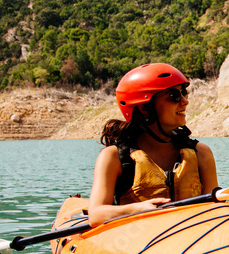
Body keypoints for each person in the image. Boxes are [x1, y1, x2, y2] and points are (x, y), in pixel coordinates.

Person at [87, 63, 219, 226]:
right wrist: (135, 209)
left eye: (183, 93)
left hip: (193, 240)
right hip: (138, 243)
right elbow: (96, 214)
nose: (185, 102)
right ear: (144, 108)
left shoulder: (201, 152)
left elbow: (214, 208)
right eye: (174, 96)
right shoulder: (114, 157)